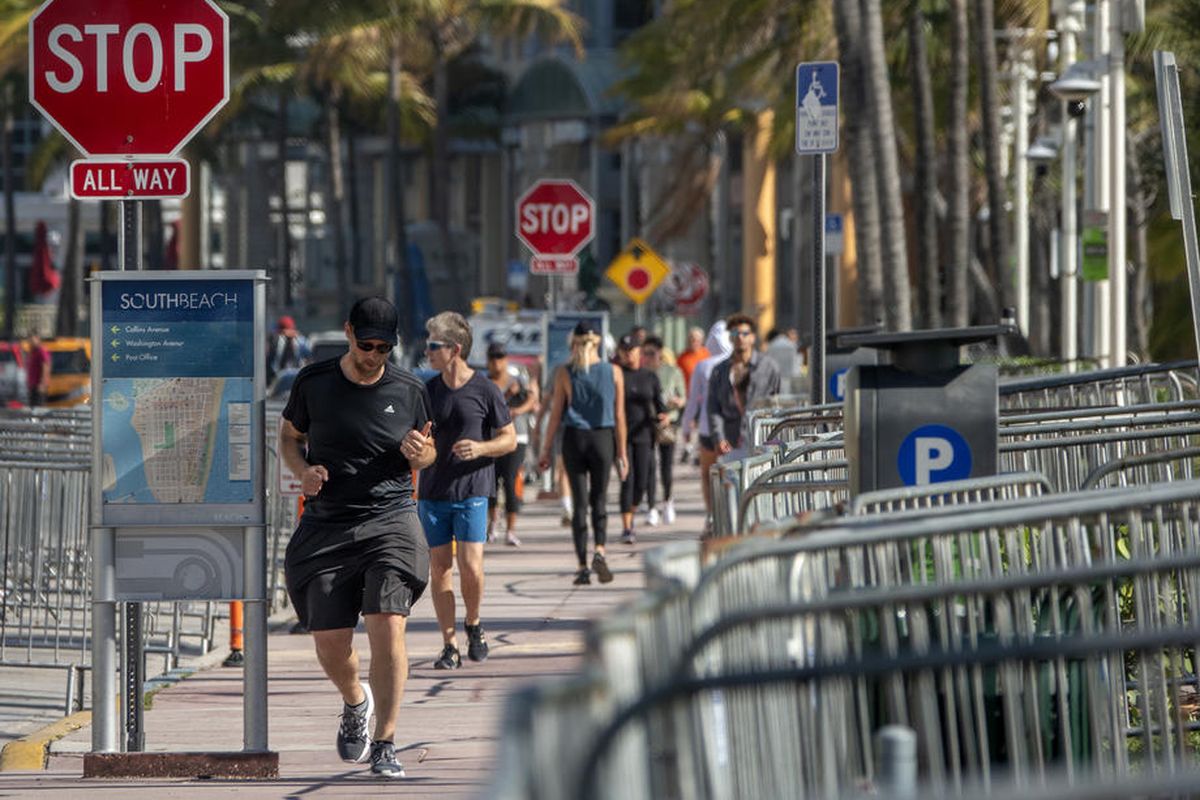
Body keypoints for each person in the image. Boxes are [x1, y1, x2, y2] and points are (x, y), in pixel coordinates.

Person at [279, 296, 435, 778]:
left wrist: (420, 454)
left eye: (383, 348)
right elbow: (288, 437)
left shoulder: (409, 389)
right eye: (366, 344)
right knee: (329, 642)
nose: (373, 356)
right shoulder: (314, 382)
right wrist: (303, 471)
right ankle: (355, 701)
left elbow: (428, 453)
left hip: (390, 519)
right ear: (348, 332)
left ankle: (386, 741)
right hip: (328, 522)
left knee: (388, 622)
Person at [419, 312, 516, 671]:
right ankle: (449, 644)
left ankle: (473, 623)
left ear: (455, 349)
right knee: (440, 568)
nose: (427, 351)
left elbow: (509, 439)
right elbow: (420, 436)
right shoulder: (427, 391)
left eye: (433, 345)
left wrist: (481, 448)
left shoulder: (485, 389)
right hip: (433, 491)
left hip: (473, 489)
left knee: (471, 566)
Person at [539, 322, 628, 585]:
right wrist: (622, 452)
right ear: (598, 341)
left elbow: (555, 415)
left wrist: (545, 449)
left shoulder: (564, 372)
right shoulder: (614, 372)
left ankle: (581, 566)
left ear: (573, 342)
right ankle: (600, 550)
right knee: (599, 500)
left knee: (579, 504)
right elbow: (620, 415)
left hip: (574, 439)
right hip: (603, 438)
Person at [486, 342, 539, 546]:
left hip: (517, 437)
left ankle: (511, 529)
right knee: (491, 483)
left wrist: (519, 410)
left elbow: (532, 399)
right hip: (491, 439)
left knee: (509, 480)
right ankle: (493, 523)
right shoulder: (485, 383)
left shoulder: (517, 380)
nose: (497, 362)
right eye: (493, 358)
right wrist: (508, 396)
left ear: (506, 359)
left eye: (500, 357)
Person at [708, 313, 782, 457]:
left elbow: (779, 402)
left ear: (753, 337)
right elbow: (713, 408)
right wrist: (719, 438)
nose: (740, 337)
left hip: (763, 441)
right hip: (731, 442)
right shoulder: (719, 371)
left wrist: (776, 438)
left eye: (745, 333)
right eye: (735, 333)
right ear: (729, 337)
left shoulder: (769, 366)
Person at [615, 334, 665, 544]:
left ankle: (632, 513)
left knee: (642, 483)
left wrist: (664, 416)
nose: (629, 354)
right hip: (621, 436)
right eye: (625, 351)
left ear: (639, 352)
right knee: (627, 480)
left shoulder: (650, 377)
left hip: (644, 435)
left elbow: (659, 404)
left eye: (633, 350)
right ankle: (627, 527)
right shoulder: (617, 375)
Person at [681, 321, 733, 524]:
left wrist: (686, 427)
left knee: (707, 474)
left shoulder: (703, 366)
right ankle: (731, 515)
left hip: (707, 429)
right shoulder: (736, 364)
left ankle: (711, 516)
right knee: (730, 473)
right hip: (731, 429)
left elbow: (692, 400)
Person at [641, 336, 685, 526]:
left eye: (651, 353)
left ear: (660, 353)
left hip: (668, 423)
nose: (648, 357)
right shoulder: (641, 373)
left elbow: (683, 397)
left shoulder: (673, 372)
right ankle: (651, 507)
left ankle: (667, 501)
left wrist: (673, 408)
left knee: (666, 467)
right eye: (645, 353)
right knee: (649, 467)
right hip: (646, 425)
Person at [675, 327, 709, 463]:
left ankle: (699, 452)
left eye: (696, 339)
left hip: (704, 397)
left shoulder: (706, 355)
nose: (693, 342)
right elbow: (677, 377)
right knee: (688, 424)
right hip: (688, 396)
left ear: (701, 341)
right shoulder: (682, 357)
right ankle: (688, 447)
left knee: (702, 426)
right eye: (691, 339)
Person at [268, 315, 312, 384]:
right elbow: (272, 363)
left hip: (297, 377)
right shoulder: (277, 343)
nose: (287, 338)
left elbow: (309, 357)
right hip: (279, 378)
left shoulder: (300, 342)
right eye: (283, 334)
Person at [24, 333, 51, 407]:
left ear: (38, 339)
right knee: (32, 409)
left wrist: (42, 384)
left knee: (38, 409)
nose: (30, 342)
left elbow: (45, 366)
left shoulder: (41, 351)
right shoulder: (32, 352)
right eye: (29, 340)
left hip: (38, 387)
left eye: (32, 340)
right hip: (32, 385)